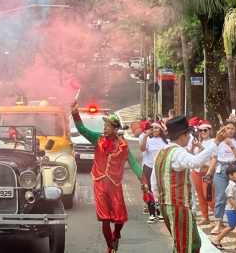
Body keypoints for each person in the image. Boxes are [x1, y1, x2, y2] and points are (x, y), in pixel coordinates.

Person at [70, 100, 147, 253]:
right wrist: (75, 113)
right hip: (99, 183)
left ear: (116, 129)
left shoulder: (123, 146)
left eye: (108, 126)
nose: (105, 128)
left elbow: (132, 163)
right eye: (104, 126)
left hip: (115, 184)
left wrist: (142, 179)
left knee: (119, 218)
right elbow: (82, 129)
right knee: (104, 218)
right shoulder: (97, 139)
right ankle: (110, 247)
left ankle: (116, 234)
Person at [151, 116, 227, 253]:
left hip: (166, 204)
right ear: (182, 135)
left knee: (193, 241)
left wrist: (159, 199)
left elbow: (154, 180)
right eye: (189, 134)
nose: (190, 137)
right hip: (177, 205)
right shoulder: (178, 152)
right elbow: (196, 162)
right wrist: (216, 142)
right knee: (184, 245)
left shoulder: (161, 152)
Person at [206, 120, 236, 234]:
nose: (229, 131)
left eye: (232, 129)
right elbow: (214, 157)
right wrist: (209, 172)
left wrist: (231, 145)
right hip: (221, 167)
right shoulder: (218, 141)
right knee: (220, 197)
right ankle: (218, 222)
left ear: (235, 130)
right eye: (227, 128)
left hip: (234, 167)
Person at [211, 166, 236, 251]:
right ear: (230, 176)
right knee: (231, 226)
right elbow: (231, 199)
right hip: (232, 210)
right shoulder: (230, 187)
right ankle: (217, 240)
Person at [139, 121, 168, 224]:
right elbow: (142, 149)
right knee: (149, 190)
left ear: (161, 130)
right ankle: (152, 213)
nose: (154, 129)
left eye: (157, 128)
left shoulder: (165, 141)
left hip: (160, 168)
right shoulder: (147, 139)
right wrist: (146, 136)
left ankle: (160, 213)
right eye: (153, 128)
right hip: (148, 167)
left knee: (160, 190)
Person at [189, 120, 215, 226]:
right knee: (200, 195)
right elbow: (190, 155)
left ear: (210, 131)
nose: (203, 132)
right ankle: (205, 217)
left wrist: (201, 146)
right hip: (196, 170)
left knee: (208, 195)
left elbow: (213, 155)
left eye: (205, 130)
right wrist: (194, 146)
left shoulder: (213, 141)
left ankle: (218, 217)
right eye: (201, 130)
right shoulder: (198, 141)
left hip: (207, 170)